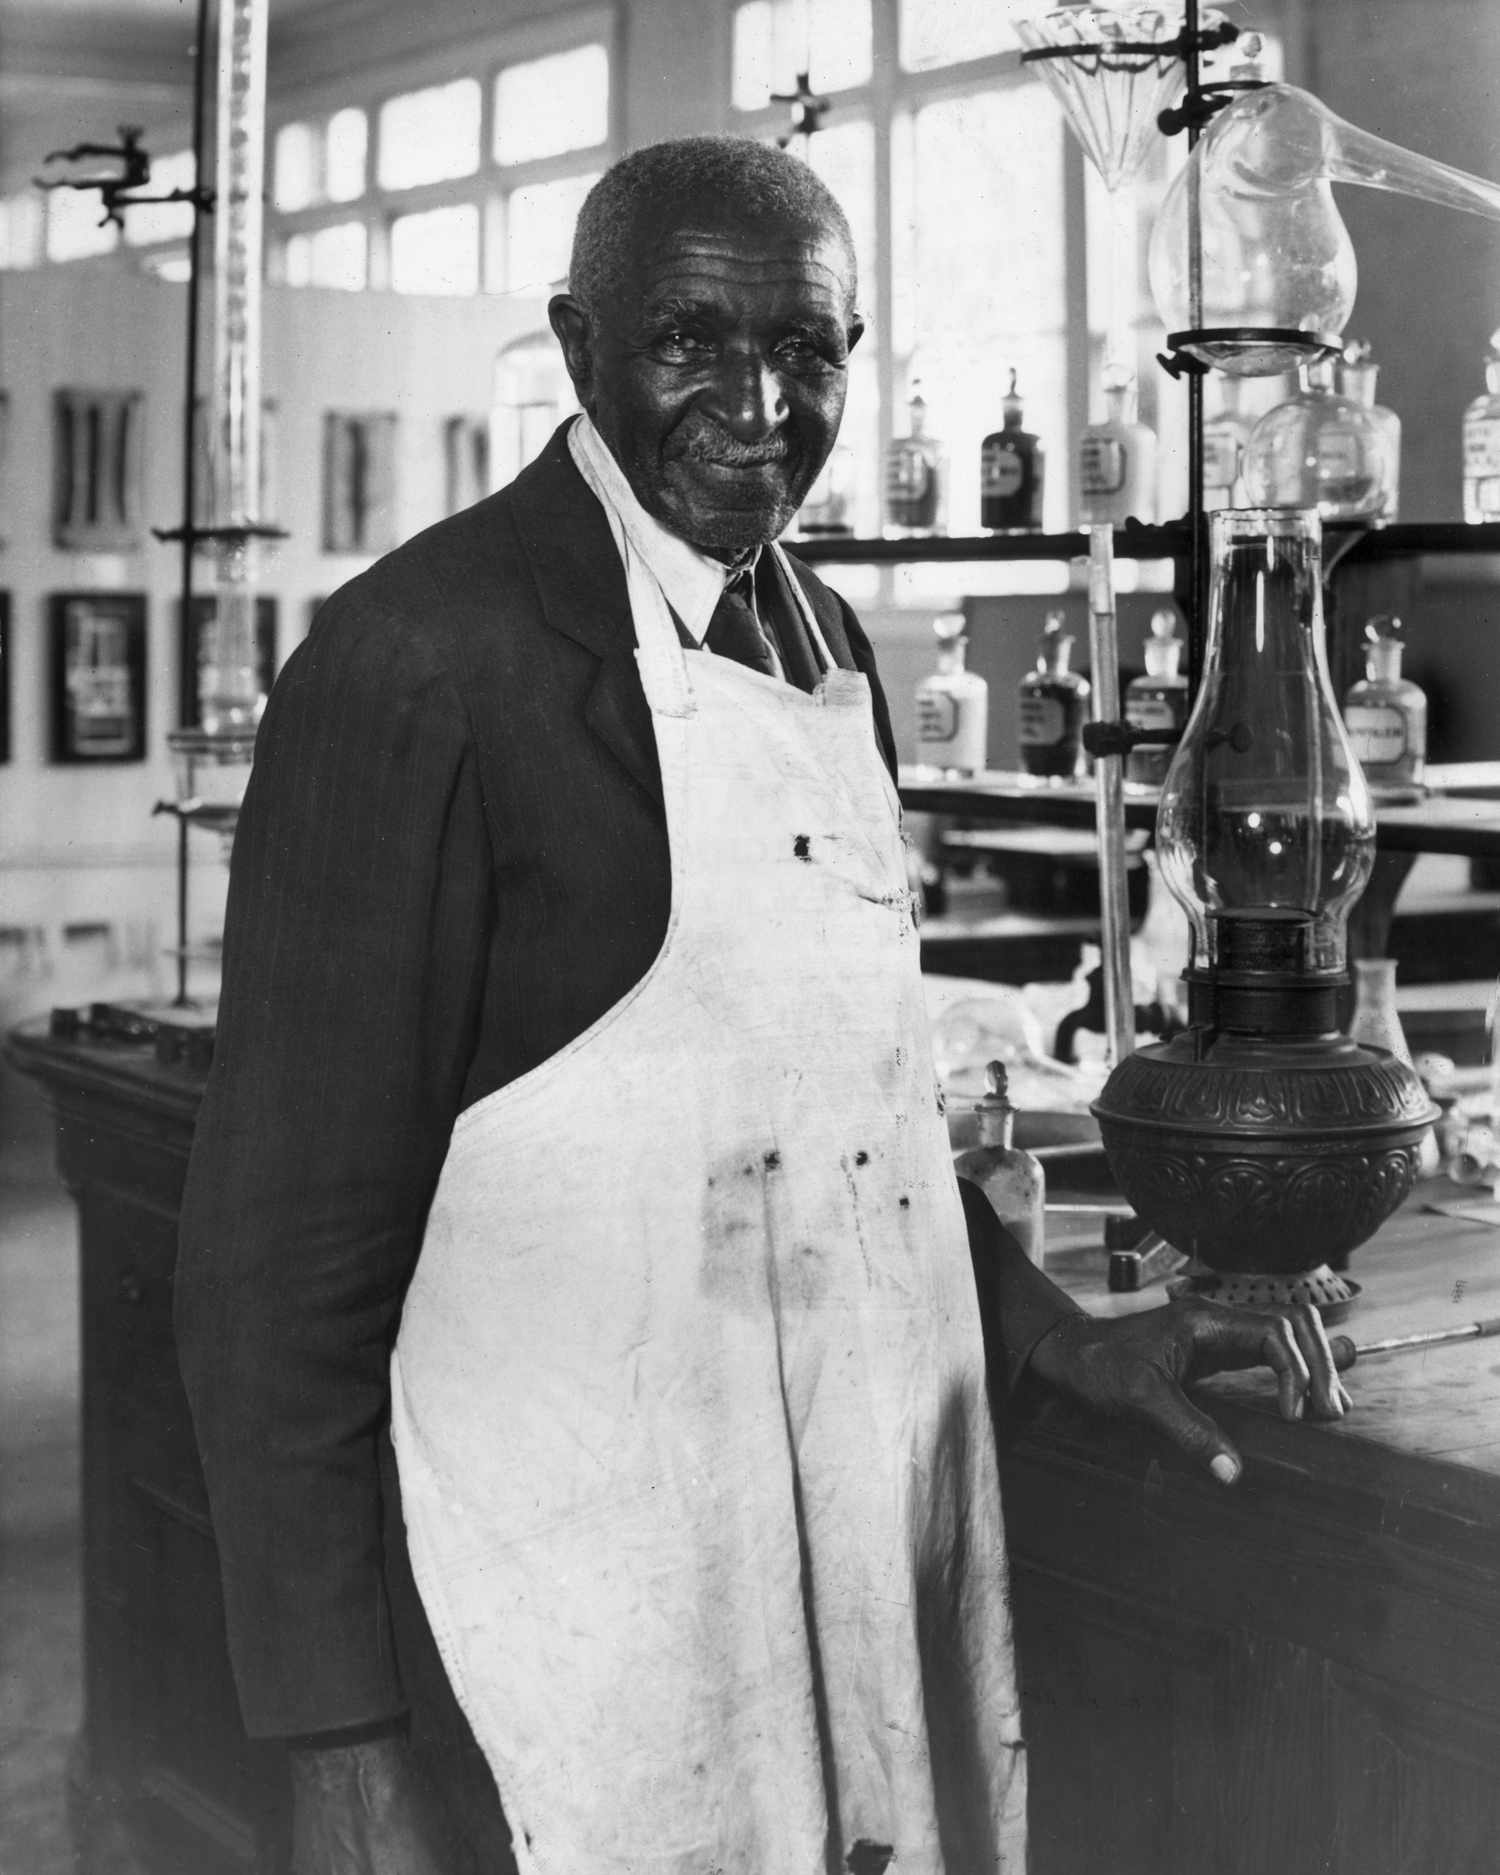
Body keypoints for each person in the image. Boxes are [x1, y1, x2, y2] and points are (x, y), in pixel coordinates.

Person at [175, 136, 1354, 1875]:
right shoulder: (419, 664)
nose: (758, 402)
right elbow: (271, 1266)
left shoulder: (828, 651)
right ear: (580, 348)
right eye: (692, 340)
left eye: (808, 350)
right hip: (556, 1609)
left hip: (835, 1568)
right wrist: (336, 1744)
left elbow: (840, 1105)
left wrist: (1050, 1334)